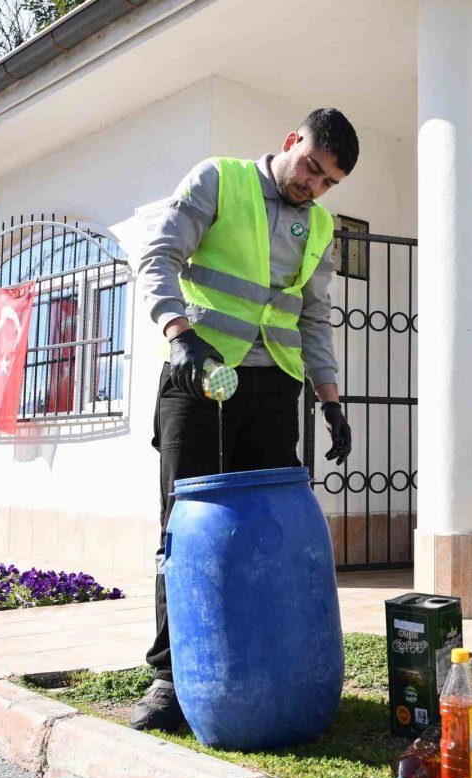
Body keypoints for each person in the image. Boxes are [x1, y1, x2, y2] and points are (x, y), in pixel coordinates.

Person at [130, 108, 359, 732]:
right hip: (198, 377)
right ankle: (169, 680)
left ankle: (255, 664)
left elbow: (313, 317)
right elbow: (157, 256)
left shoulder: (320, 228)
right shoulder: (219, 180)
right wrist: (178, 335)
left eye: (327, 182)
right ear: (291, 142)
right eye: (311, 167)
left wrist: (330, 399)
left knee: (262, 535)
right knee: (184, 531)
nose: (312, 186)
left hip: (272, 389)